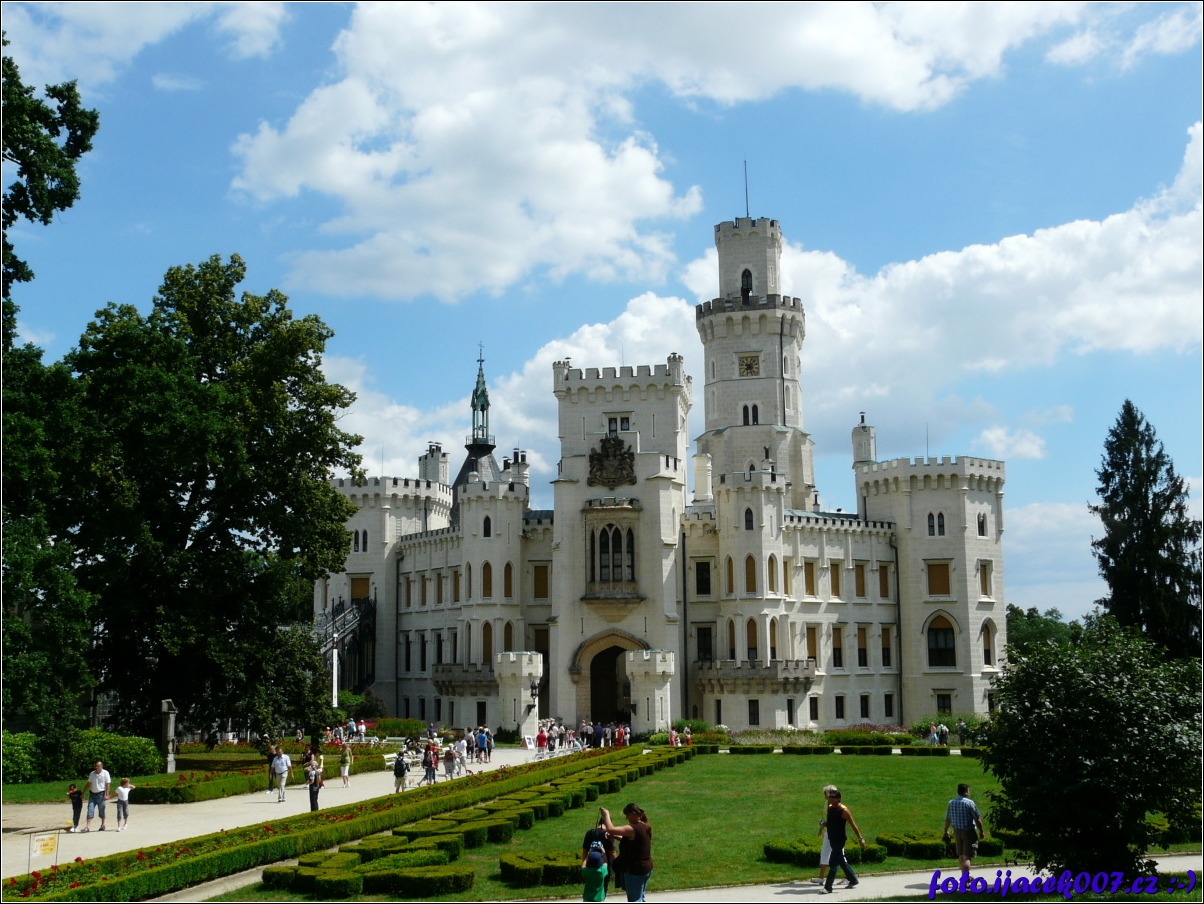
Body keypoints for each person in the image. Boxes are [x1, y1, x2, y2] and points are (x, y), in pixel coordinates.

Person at [600, 804, 653, 902]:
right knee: (640, 897)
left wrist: (606, 815)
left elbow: (610, 829)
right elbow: (633, 841)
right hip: (645, 868)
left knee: (635, 900)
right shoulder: (644, 825)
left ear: (633, 814)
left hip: (635, 870)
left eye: (627, 815)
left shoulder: (633, 828)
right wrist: (614, 836)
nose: (626, 818)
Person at [821, 789, 865, 894]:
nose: (830, 799)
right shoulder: (830, 808)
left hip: (839, 840)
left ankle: (828, 887)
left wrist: (860, 838)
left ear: (838, 799)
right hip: (832, 839)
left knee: (833, 863)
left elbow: (853, 825)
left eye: (833, 798)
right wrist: (824, 824)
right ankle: (853, 880)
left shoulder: (844, 811)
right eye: (829, 797)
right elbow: (830, 823)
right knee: (841, 861)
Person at [942, 783, 985, 880]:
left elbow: (948, 819)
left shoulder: (951, 803)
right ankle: (965, 880)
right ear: (965, 791)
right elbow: (977, 819)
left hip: (957, 832)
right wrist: (981, 831)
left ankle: (964, 877)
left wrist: (945, 831)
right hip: (968, 832)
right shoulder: (969, 803)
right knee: (967, 857)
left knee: (961, 856)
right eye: (968, 791)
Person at [810, 785, 842, 886]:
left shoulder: (835, 806)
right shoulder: (828, 803)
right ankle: (821, 877)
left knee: (841, 855)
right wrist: (822, 827)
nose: (824, 795)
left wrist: (824, 825)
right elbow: (827, 819)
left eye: (825, 793)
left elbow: (834, 821)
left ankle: (849, 877)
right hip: (829, 832)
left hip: (836, 834)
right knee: (825, 853)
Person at [582, 815, 617, 898]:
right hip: (603, 867)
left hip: (589, 866)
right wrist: (618, 866)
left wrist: (584, 863)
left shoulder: (589, 833)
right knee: (603, 888)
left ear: (599, 822)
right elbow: (612, 853)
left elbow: (584, 851)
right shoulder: (608, 835)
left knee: (589, 887)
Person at [84, 761, 111, 832]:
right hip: (92, 794)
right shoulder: (92, 773)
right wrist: (83, 792)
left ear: (101, 766)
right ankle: (87, 826)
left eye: (98, 766)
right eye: (95, 766)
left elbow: (107, 784)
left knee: (101, 809)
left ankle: (103, 824)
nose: (96, 767)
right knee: (90, 809)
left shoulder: (105, 773)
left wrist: (107, 794)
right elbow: (89, 783)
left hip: (101, 794)